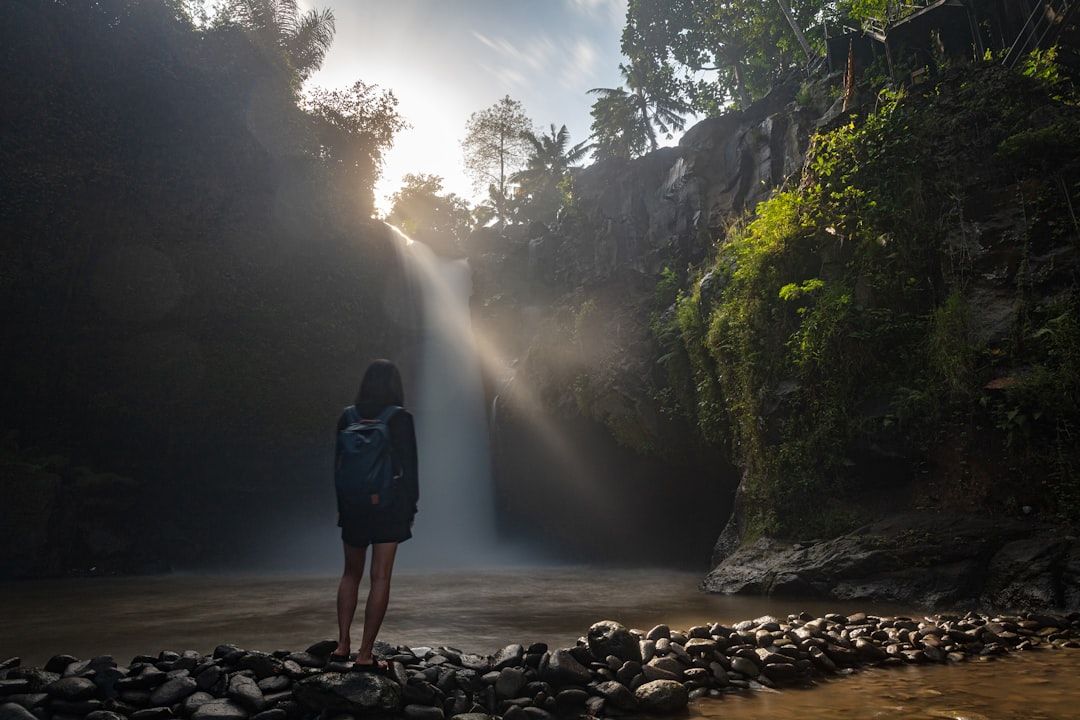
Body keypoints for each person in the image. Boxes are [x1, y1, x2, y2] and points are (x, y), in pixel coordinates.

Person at [332, 359, 418, 672]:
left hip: (353, 506)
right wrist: (411, 508)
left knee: (349, 574)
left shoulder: (347, 416)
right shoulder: (399, 418)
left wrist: (343, 508)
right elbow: (409, 468)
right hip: (388, 506)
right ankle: (365, 655)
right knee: (380, 576)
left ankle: (342, 645)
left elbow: (337, 467)